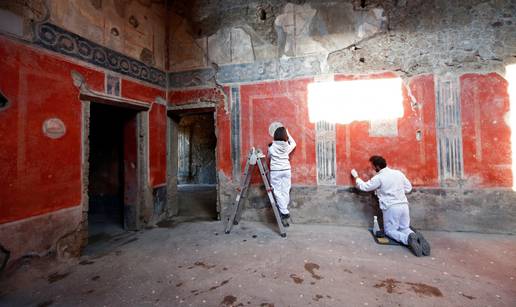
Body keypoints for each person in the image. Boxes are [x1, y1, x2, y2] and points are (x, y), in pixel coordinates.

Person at [351, 156, 430, 257]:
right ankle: (415, 236)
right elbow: (408, 188)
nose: (372, 169)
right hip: (404, 205)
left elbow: (365, 187)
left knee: (390, 231)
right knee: (404, 227)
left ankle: (408, 239)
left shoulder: (379, 177)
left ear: (377, 167)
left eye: (372, 167)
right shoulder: (398, 173)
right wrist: (397, 191)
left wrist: (356, 176)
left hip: (391, 207)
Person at [268, 126, 296, 224]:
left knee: (277, 191)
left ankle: (284, 211)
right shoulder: (287, 146)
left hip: (276, 171)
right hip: (286, 170)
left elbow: (269, 156)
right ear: (285, 135)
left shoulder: (271, 147)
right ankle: (284, 209)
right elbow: (294, 143)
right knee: (286, 190)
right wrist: (288, 133)